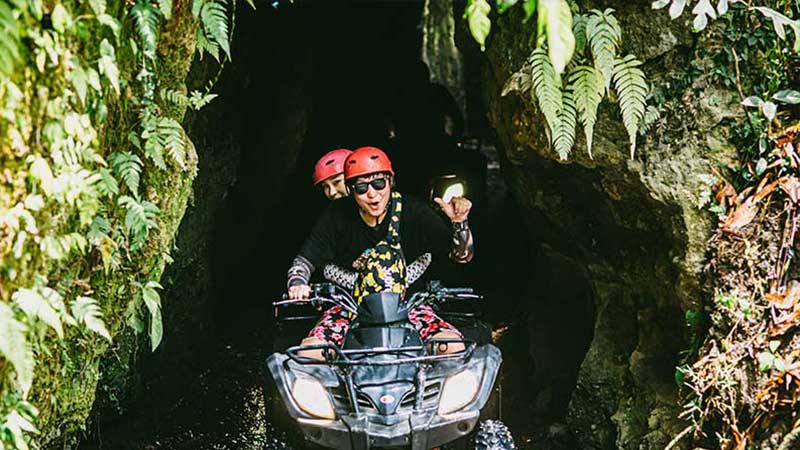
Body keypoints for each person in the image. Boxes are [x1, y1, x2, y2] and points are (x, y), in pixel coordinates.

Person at [286, 146, 474, 358]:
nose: (372, 195)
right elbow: (304, 260)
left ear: (390, 181)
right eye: (361, 188)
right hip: (349, 307)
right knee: (310, 352)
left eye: (378, 184)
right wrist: (297, 283)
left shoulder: (415, 212)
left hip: (409, 305)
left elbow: (462, 256)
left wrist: (459, 224)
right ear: (351, 190)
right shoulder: (336, 215)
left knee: (452, 346)